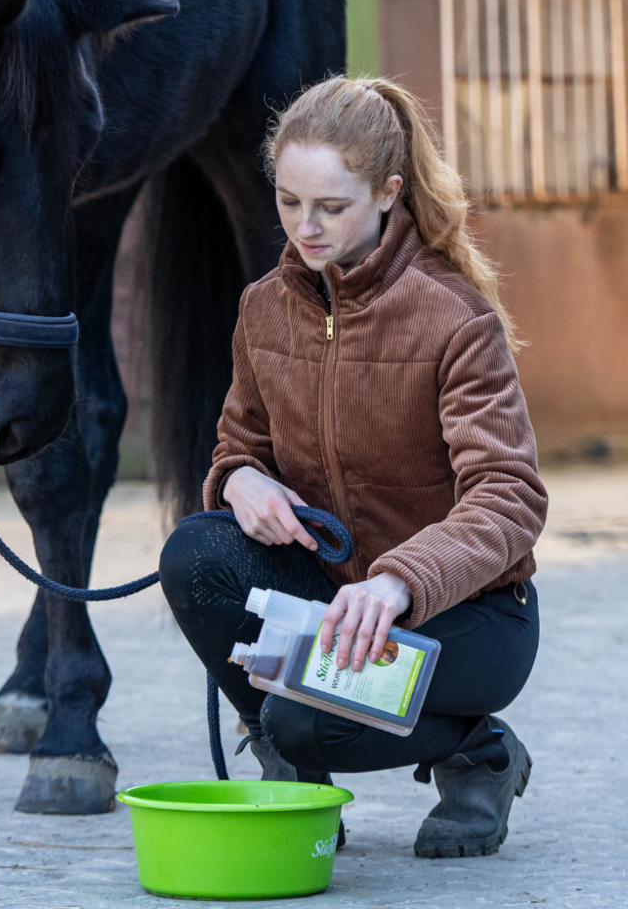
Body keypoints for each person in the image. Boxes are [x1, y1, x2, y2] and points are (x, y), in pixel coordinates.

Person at [159, 76, 546, 859]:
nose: (306, 226)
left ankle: (480, 751)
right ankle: (296, 782)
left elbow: (509, 499)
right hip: (333, 604)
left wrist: (397, 582)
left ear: (387, 194)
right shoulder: (264, 310)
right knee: (194, 554)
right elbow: (239, 444)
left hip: (465, 616)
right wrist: (241, 481)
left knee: (303, 714)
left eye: (331, 207)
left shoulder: (454, 318)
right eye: (289, 201)